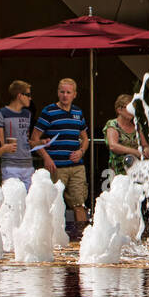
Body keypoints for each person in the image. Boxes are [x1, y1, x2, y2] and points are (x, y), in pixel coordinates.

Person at [30, 78, 90, 232]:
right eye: (62, 92)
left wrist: (81, 151)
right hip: (56, 166)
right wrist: (46, 158)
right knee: (54, 204)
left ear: (74, 95)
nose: (65, 95)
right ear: (57, 92)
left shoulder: (78, 112)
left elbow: (85, 138)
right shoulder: (49, 111)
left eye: (68, 92)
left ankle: (82, 238)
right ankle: (54, 237)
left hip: (77, 166)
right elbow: (34, 139)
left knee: (79, 204)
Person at [0, 80, 41, 189]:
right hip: (10, 164)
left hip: (28, 164)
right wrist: (6, 147)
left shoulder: (27, 114)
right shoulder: (1, 113)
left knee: (28, 201)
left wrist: (40, 143)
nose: (30, 98)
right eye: (28, 95)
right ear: (19, 95)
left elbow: (25, 139)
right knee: (12, 199)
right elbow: (0, 143)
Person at [105, 94, 149, 179]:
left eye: (133, 108)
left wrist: (146, 149)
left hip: (135, 168)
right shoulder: (113, 124)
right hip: (118, 170)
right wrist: (134, 151)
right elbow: (113, 146)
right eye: (129, 108)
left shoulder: (136, 126)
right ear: (119, 110)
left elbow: (145, 144)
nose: (132, 111)